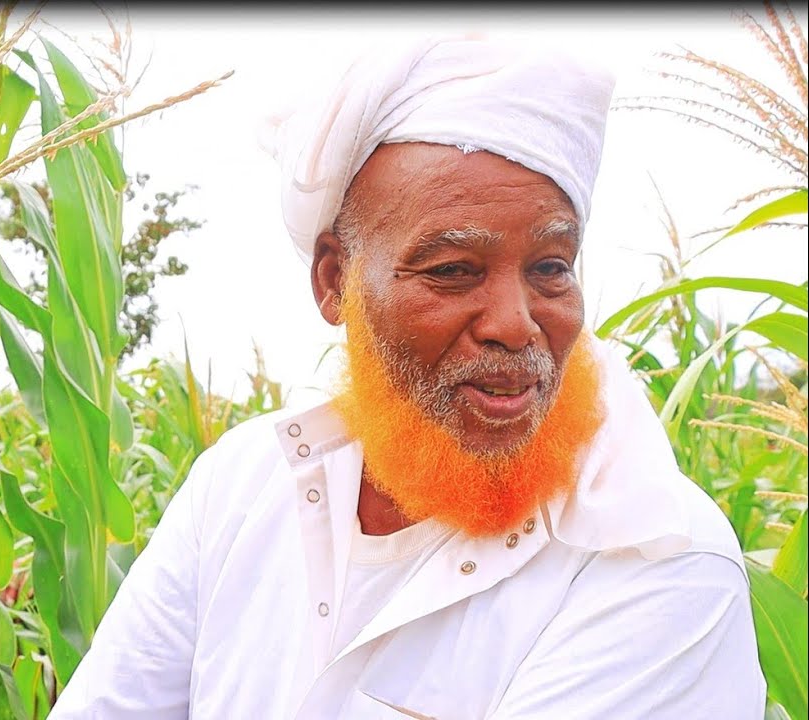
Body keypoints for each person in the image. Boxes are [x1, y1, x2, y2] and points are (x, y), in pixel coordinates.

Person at [48, 33, 766, 720]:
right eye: (454, 271)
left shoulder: (657, 562)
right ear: (336, 282)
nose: (516, 323)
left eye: (550, 268)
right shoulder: (239, 487)